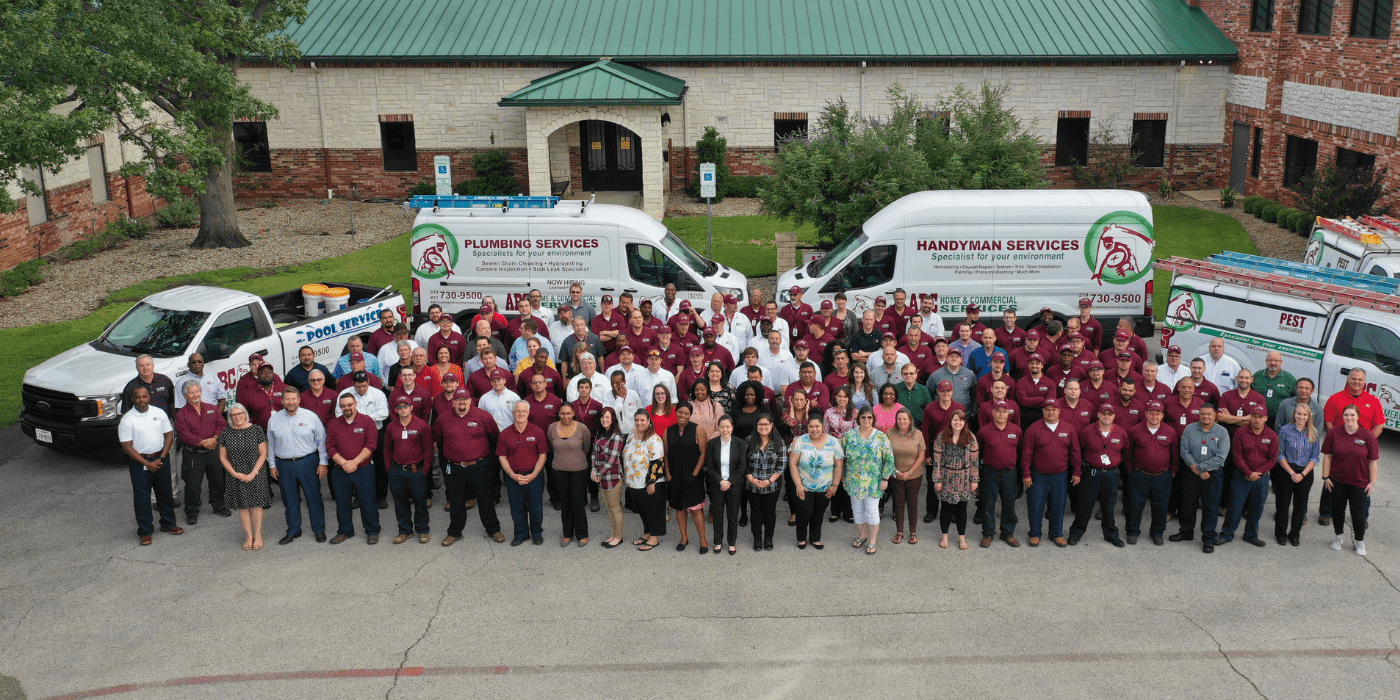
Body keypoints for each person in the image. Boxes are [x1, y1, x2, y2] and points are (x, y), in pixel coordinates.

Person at [434, 389, 506, 545]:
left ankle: (493, 529)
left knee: (485, 499)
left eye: (464, 399)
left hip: (479, 466)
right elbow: (439, 439)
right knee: (456, 500)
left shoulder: (483, 416)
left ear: (470, 400)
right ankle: (454, 532)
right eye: (458, 400)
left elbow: (493, 437)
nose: (461, 402)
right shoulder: (443, 418)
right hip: (454, 468)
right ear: (453, 401)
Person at [1319, 368, 1385, 526]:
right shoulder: (1335, 399)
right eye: (1353, 379)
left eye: (1360, 380)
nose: (1356, 382)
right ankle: (1326, 512)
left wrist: (1367, 441)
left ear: (1365, 382)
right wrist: (1337, 440)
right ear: (1348, 380)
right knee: (1332, 477)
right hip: (1339, 448)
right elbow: (1328, 421)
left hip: (1362, 450)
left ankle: (1362, 514)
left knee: (1363, 481)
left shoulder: (1373, 401)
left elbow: (1379, 425)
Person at [118, 386, 183, 545]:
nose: (141, 400)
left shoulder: (159, 413)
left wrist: (162, 457)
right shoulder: (127, 420)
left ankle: (169, 524)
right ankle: (145, 531)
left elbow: (169, 436)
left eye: (144, 397)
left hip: (160, 458)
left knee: (165, 492)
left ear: (149, 397)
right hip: (140, 463)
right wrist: (147, 463)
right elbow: (127, 447)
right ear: (133, 399)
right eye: (138, 397)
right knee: (142, 497)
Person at [267, 386, 328, 545]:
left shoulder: (311, 417)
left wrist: (323, 462)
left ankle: (319, 529)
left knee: (313, 497)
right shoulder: (274, 419)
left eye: (294, 399)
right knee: (289, 499)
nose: (291, 402)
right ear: (282, 401)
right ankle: (294, 530)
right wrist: (272, 465)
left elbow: (321, 441)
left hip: (307, 462)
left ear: (299, 400)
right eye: (287, 399)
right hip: (284, 464)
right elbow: (271, 444)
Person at [1170, 404, 1231, 554]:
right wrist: (1195, 467)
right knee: (1187, 503)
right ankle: (1186, 531)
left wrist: (1202, 468)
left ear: (1215, 415)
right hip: (1191, 472)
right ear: (1199, 415)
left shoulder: (1222, 432)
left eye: (1209, 414)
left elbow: (1221, 457)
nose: (1206, 417)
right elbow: (1184, 451)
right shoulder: (1189, 429)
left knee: (1210, 505)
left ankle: (1209, 538)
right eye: (1203, 414)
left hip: (1212, 475)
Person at [1021, 399, 1080, 547]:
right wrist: (1026, 474)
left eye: (1054, 409)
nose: (1051, 412)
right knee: (1035, 505)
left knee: (1058, 505)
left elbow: (1075, 451)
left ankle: (1056, 534)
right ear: (1043, 411)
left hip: (1060, 475)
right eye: (1047, 409)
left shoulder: (1068, 428)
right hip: (1038, 475)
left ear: (1059, 411)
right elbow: (1026, 454)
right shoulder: (1033, 429)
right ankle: (1035, 533)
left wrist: (1077, 471)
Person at [1322, 405, 1380, 556]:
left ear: (1358, 416)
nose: (1349, 418)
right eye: (1346, 415)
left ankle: (1360, 541)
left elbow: (1373, 461)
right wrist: (1326, 477)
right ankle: (1338, 537)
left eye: (1352, 415)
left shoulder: (1367, 436)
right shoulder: (1334, 432)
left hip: (1359, 483)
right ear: (1342, 416)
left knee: (1358, 514)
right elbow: (1327, 456)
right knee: (1337, 510)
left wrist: (1372, 482)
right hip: (1337, 481)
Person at [1068, 404, 1128, 547]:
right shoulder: (1087, 431)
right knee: (1085, 504)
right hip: (1092, 473)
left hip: (1111, 474)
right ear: (1098, 415)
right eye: (1104, 413)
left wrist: (1114, 462)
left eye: (1109, 413)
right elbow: (1079, 451)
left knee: (1109, 506)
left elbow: (1125, 451)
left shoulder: (1121, 432)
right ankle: (1076, 533)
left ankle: (1111, 534)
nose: (1106, 416)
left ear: (1114, 416)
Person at [325, 394, 381, 545]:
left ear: (356, 404)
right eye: (343, 406)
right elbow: (330, 446)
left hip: (363, 469)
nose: (346, 408)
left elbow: (371, 445)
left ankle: (372, 530)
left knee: (367, 501)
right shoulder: (334, 424)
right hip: (340, 470)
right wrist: (344, 463)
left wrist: (354, 462)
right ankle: (345, 531)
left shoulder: (367, 421)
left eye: (349, 404)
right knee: (342, 502)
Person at [125, 355, 181, 506]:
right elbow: (126, 413)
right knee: (148, 465)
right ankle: (155, 499)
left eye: (148, 365)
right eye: (141, 366)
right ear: (137, 368)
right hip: (143, 430)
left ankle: (172, 495)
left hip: (165, 428)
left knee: (170, 463)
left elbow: (172, 404)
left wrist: (175, 425)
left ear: (153, 365)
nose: (145, 368)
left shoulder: (164, 381)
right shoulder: (131, 387)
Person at [173, 381, 229, 525]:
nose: (195, 395)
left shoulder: (211, 408)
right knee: (192, 484)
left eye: (197, 391)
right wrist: (206, 442)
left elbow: (221, 424)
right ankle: (191, 511)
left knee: (217, 480)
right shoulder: (181, 414)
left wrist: (215, 439)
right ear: (185, 395)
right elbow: (185, 435)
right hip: (194, 454)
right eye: (191, 392)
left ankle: (218, 505)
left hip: (213, 452)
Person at [1124, 401, 1178, 546]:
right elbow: (1128, 453)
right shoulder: (1135, 430)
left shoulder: (1170, 431)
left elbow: (1175, 454)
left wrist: (1172, 472)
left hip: (1162, 476)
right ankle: (1132, 532)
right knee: (1135, 505)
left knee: (1160, 506)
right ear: (1146, 414)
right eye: (1152, 413)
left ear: (1162, 415)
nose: (1154, 416)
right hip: (1139, 475)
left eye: (1158, 413)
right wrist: (1130, 470)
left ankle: (1157, 533)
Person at [842, 407, 895, 555]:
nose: (866, 420)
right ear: (858, 418)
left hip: (873, 482)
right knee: (857, 510)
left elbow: (889, 459)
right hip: (853, 481)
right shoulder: (849, 435)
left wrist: (885, 478)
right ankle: (862, 535)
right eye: (863, 417)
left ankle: (872, 540)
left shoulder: (881, 437)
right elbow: (842, 456)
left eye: (869, 417)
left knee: (871, 511)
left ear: (873, 419)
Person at [218, 403, 270, 550]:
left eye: (240, 413)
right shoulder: (225, 433)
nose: (237, 417)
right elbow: (223, 457)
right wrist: (234, 473)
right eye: (234, 415)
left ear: (245, 414)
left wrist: (254, 472)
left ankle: (258, 535)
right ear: (230, 418)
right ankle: (249, 535)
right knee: (242, 505)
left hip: (256, 473)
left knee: (256, 504)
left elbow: (263, 454)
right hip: (236, 474)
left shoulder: (257, 429)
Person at [337, 370, 391, 509]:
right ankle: (359, 496)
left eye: (364, 385)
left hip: (376, 433)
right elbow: (339, 413)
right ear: (353, 384)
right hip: (354, 434)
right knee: (359, 465)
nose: (361, 389)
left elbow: (384, 413)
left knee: (380, 465)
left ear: (368, 382)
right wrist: (364, 419)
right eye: (358, 386)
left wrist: (363, 420)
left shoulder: (377, 393)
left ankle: (381, 496)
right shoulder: (345, 394)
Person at [788, 414, 843, 550]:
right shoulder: (799, 441)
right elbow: (793, 464)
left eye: (817, 426)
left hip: (825, 487)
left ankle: (815, 538)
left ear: (822, 426)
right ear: (807, 427)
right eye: (811, 426)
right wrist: (798, 485)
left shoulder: (834, 442)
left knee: (818, 513)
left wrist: (835, 485)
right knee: (804, 512)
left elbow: (838, 465)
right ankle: (801, 538)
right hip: (804, 486)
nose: (814, 429)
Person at [497, 400, 548, 546]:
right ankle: (521, 534)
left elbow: (543, 455)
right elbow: (502, 457)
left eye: (524, 411)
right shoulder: (505, 434)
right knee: (516, 506)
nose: (520, 414)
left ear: (528, 413)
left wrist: (533, 475)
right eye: (518, 411)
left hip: (534, 476)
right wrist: (512, 475)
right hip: (513, 477)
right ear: (513, 413)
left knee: (536, 507)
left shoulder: (537, 431)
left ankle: (537, 533)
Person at [543, 402, 591, 548]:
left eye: (568, 413)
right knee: (565, 502)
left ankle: (582, 534)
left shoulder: (582, 428)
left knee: (577, 502)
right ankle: (567, 534)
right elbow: (552, 446)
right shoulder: (552, 428)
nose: (565, 416)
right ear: (558, 414)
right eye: (563, 413)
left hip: (579, 469)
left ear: (573, 413)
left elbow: (586, 447)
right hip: (559, 469)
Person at [1274, 402, 1320, 547]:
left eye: (1304, 414)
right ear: (1294, 414)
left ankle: (1294, 534)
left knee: (1300, 506)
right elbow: (1279, 454)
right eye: (1299, 413)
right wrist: (1292, 473)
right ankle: (1280, 534)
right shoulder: (1285, 430)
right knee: (1283, 504)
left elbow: (1315, 457)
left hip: (1305, 473)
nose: (1301, 417)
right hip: (1286, 471)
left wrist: (1302, 474)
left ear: (1309, 417)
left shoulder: (1313, 432)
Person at [976, 400, 1021, 547]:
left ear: (1008, 413)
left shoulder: (1016, 431)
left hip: (1010, 473)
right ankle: (988, 533)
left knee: (1009, 503)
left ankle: (1007, 533)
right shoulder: (984, 431)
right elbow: (978, 453)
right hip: (990, 472)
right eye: (998, 411)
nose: (1001, 414)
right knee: (988, 503)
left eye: (1004, 411)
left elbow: (1020, 451)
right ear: (993, 413)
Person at [665, 402, 709, 552]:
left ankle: (703, 540)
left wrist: (695, 474)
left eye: (686, 413)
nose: (682, 416)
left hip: (693, 476)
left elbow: (703, 453)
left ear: (691, 415)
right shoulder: (668, 431)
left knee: (696, 510)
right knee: (680, 508)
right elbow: (666, 455)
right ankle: (684, 538)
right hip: (675, 476)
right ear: (675, 412)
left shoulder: (698, 429)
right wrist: (668, 475)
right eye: (680, 412)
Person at [703, 415, 748, 556]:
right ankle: (718, 541)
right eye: (722, 426)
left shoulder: (739, 443)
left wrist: (729, 482)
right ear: (718, 427)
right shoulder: (712, 443)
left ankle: (732, 542)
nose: (725, 429)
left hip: (734, 485)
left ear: (732, 427)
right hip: (717, 485)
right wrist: (720, 481)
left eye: (728, 426)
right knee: (717, 514)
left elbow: (742, 466)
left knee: (733, 515)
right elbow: (709, 467)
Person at [624, 410, 667, 551]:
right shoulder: (631, 434)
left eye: (642, 420)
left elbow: (657, 462)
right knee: (642, 510)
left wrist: (651, 483)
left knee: (653, 510)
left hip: (650, 483)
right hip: (633, 482)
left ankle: (654, 538)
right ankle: (648, 532)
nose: (639, 423)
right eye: (637, 420)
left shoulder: (654, 439)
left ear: (649, 421)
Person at [886, 408, 926, 545]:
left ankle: (913, 532)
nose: (902, 421)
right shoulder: (890, 433)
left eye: (905, 419)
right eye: (899, 419)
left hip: (914, 474)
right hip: (896, 474)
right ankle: (899, 531)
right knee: (898, 503)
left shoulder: (918, 434)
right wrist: (895, 471)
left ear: (910, 421)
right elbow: (887, 455)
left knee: (912, 503)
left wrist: (909, 472)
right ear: (896, 420)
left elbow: (921, 455)